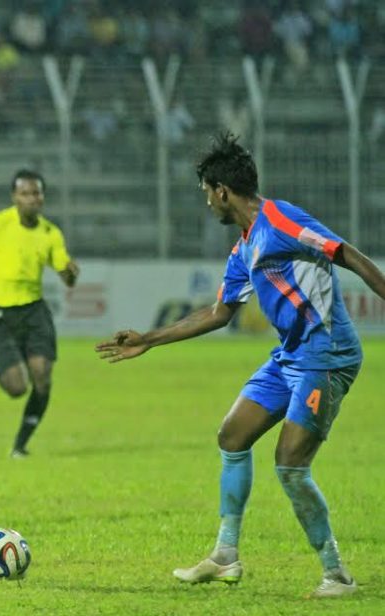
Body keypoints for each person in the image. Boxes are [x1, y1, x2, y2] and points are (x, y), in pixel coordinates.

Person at [95, 133, 382, 598]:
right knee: (232, 435)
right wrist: (149, 339)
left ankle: (338, 575)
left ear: (222, 190)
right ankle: (226, 556)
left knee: (290, 465)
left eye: (206, 192)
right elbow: (219, 313)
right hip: (290, 355)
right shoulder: (244, 248)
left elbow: (344, 253)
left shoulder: (281, 219)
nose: (206, 202)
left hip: (326, 356)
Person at [0, 170, 79, 457]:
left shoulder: (50, 233)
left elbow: (66, 275)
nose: (32, 199)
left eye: (37, 193)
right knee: (16, 386)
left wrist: (70, 274)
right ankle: (6, 362)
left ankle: (21, 444)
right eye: (26, 193)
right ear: (14, 197)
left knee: (42, 375)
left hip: (33, 311)